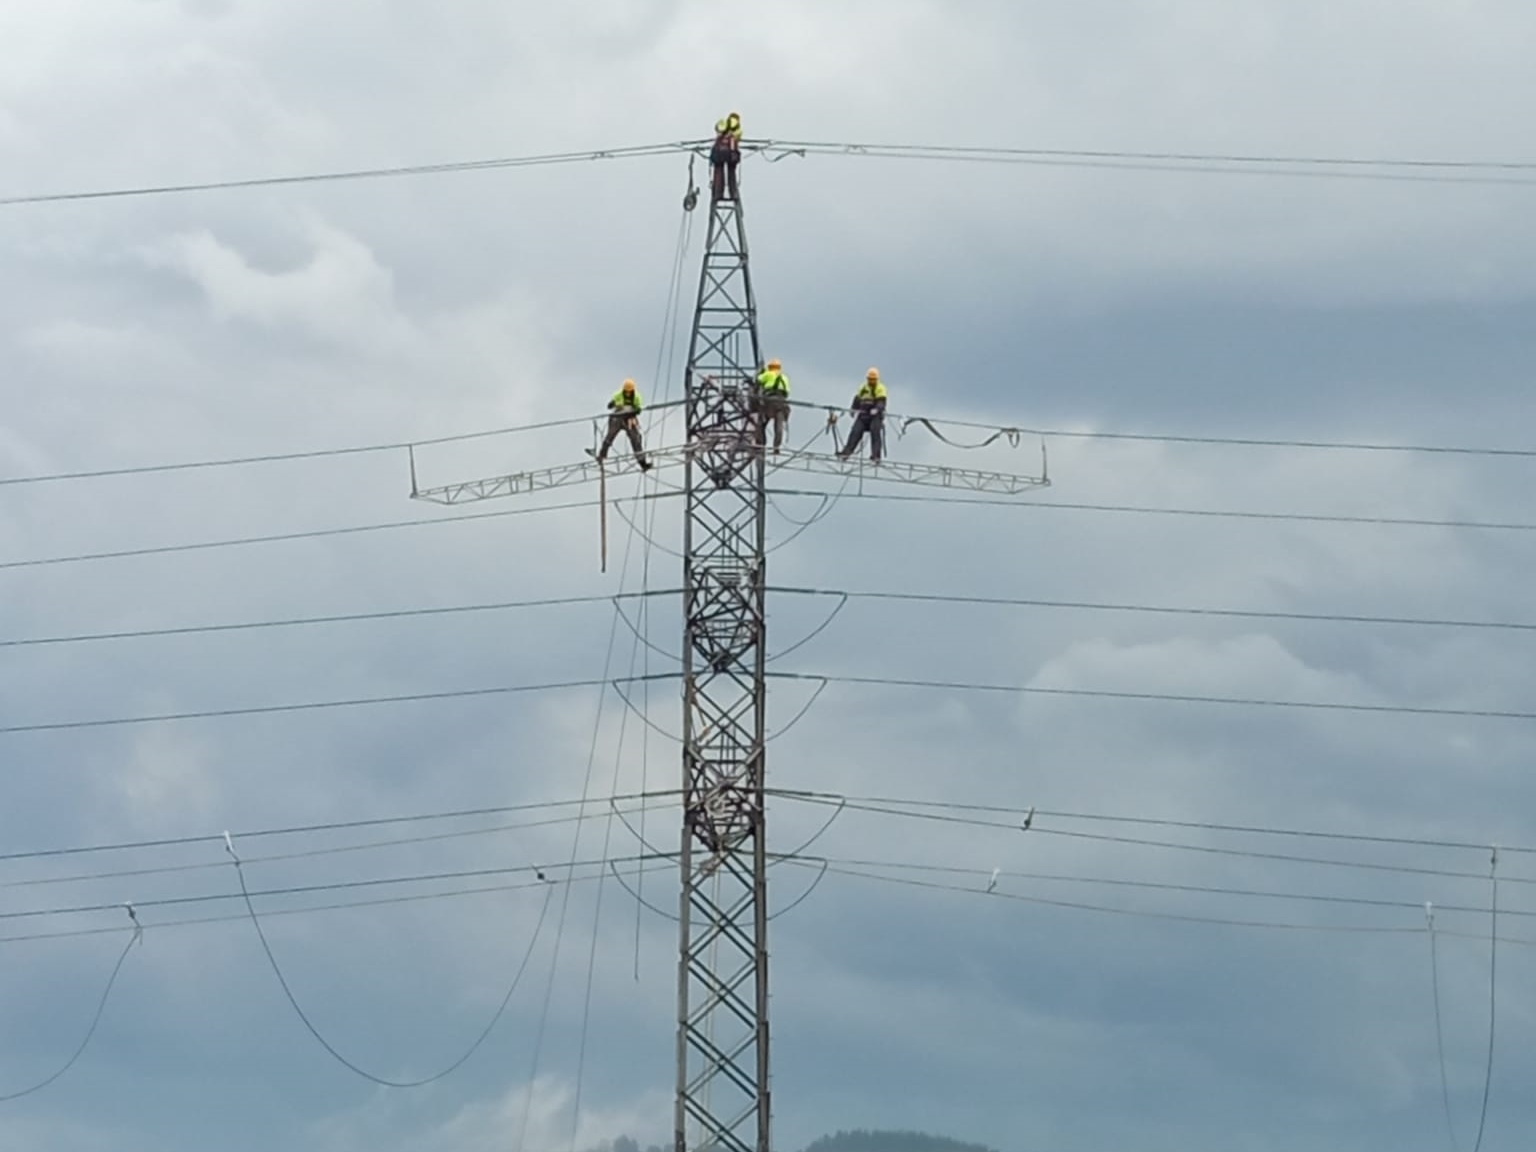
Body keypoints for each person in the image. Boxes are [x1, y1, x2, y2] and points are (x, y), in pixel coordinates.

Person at [595, 379, 652, 470]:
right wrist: (612, 404)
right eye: (626, 392)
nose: (628, 393)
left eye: (630, 392)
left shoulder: (637, 396)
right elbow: (611, 404)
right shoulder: (618, 394)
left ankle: (642, 463)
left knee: (635, 438)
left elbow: (638, 409)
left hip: (629, 418)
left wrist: (635, 411)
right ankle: (602, 455)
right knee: (610, 436)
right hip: (617, 417)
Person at [839, 367, 888, 461]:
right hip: (863, 415)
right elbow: (857, 399)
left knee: (875, 433)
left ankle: (876, 456)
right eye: (870, 379)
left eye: (873, 379)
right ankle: (846, 453)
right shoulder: (863, 387)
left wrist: (877, 409)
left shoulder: (880, 388)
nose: (871, 381)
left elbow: (881, 401)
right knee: (855, 432)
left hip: (875, 416)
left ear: (876, 379)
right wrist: (853, 409)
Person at [753, 357, 790, 452]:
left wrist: (760, 372)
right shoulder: (784, 377)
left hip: (769, 401)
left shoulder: (768, 374)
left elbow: (757, 380)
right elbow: (787, 392)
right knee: (778, 427)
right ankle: (776, 446)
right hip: (782, 403)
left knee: (761, 424)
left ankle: (760, 443)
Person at [710, 111, 742, 200]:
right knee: (731, 174)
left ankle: (718, 193)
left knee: (719, 173)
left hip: (719, 153)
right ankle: (733, 193)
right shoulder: (734, 132)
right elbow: (736, 139)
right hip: (730, 154)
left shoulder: (722, 128)